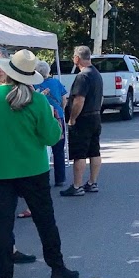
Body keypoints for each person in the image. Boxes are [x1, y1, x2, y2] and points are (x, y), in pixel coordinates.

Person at [0, 48, 79, 278]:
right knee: (45, 220)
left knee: (3, 225)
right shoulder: (38, 100)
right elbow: (51, 137)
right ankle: (57, 268)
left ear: (6, 71)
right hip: (33, 169)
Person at [60, 45, 104, 197]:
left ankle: (77, 185)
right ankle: (92, 182)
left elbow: (79, 99)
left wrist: (72, 118)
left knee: (79, 153)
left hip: (83, 118)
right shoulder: (96, 74)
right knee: (94, 150)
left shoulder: (82, 76)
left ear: (77, 58)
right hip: (96, 116)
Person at [35, 60, 68, 187]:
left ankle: (43, 179)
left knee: (42, 149)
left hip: (42, 118)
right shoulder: (56, 82)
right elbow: (64, 99)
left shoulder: (33, 85)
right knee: (58, 149)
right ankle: (60, 178)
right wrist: (61, 109)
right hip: (58, 116)